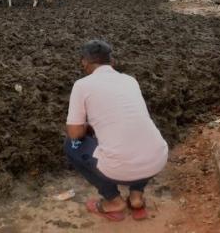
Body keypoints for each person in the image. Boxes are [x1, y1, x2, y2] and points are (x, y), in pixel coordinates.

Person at [64, 40, 168, 222]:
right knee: (138, 136)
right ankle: (136, 197)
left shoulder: (82, 85)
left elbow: (74, 133)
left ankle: (113, 200)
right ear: (112, 61)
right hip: (157, 159)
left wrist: (88, 127)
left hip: (119, 168)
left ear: (85, 62)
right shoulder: (130, 80)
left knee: (72, 144)